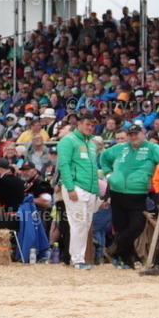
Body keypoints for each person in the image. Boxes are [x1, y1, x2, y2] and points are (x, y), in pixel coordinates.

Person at [100, 124, 159, 269]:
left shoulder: (152, 148)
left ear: (143, 134)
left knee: (137, 226)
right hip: (117, 192)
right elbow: (104, 157)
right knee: (121, 228)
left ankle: (112, 250)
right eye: (131, 134)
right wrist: (108, 174)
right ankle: (128, 261)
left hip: (138, 193)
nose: (133, 137)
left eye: (136, 134)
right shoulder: (120, 148)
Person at [57, 114, 102, 270]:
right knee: (79, 223)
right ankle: (77, 260)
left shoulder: (91, 143)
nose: (90, 128)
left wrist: (96, 190)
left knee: (85, 224)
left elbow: (93, 168)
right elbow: (64, 165)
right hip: (76, 186)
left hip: (89, 188)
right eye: (88, 124)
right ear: (80, 124)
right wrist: (70, 188)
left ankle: (78, 258)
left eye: (92, 126)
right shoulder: (68, 141)